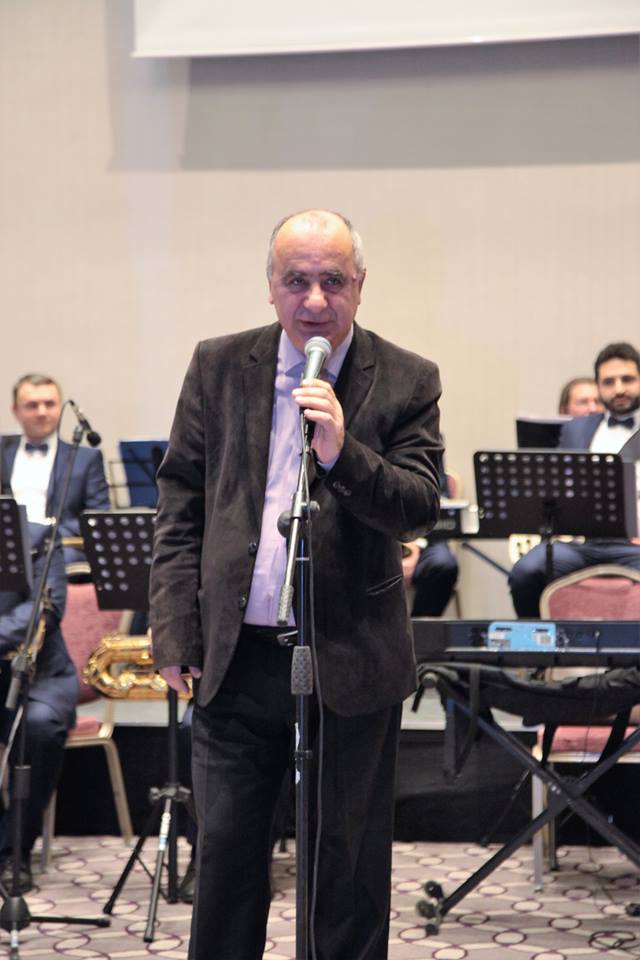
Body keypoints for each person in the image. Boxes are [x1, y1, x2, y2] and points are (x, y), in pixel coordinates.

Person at [150, 209, 442, 960]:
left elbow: (418, 504)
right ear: (271, 286)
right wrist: (175, 629)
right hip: (237, 659)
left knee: (345, 872)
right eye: (297, 281)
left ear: (361, 285)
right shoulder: (218, 366)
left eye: (333, 281)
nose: (315, 300)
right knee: (226, 865)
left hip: (349, 656)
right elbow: (180, 503)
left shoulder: (407, 377)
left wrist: (344, 452)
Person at [510, 342, 640, 617]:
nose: (618, 389)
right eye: (609, 382)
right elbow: (559, 487)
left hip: (635, 545)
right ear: (598, 386)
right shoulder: (576, 429)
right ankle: (541, 644)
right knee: (526, 572)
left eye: (627, 379)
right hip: (586, 545)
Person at [0, 523, 78, 893]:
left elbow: (45, 609)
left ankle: (14, 852)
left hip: (38, 675)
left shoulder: (36, 537)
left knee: (41, 727)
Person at [0, 374, 111, 571]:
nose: (42, 412)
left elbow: (98, 517)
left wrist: (40, 534)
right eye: (32, 405)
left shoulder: (86, 458)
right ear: (15, 410)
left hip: (59, 549)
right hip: (7, 546)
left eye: (49, 404)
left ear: (60, 406)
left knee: (49, 562)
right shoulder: (2, 451)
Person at [402, 459, 458, 617]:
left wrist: (413, 544)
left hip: (423, 535)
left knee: (443, 565)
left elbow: (436, 499)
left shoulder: (429, 443)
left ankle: (419, 629)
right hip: (377, 536)